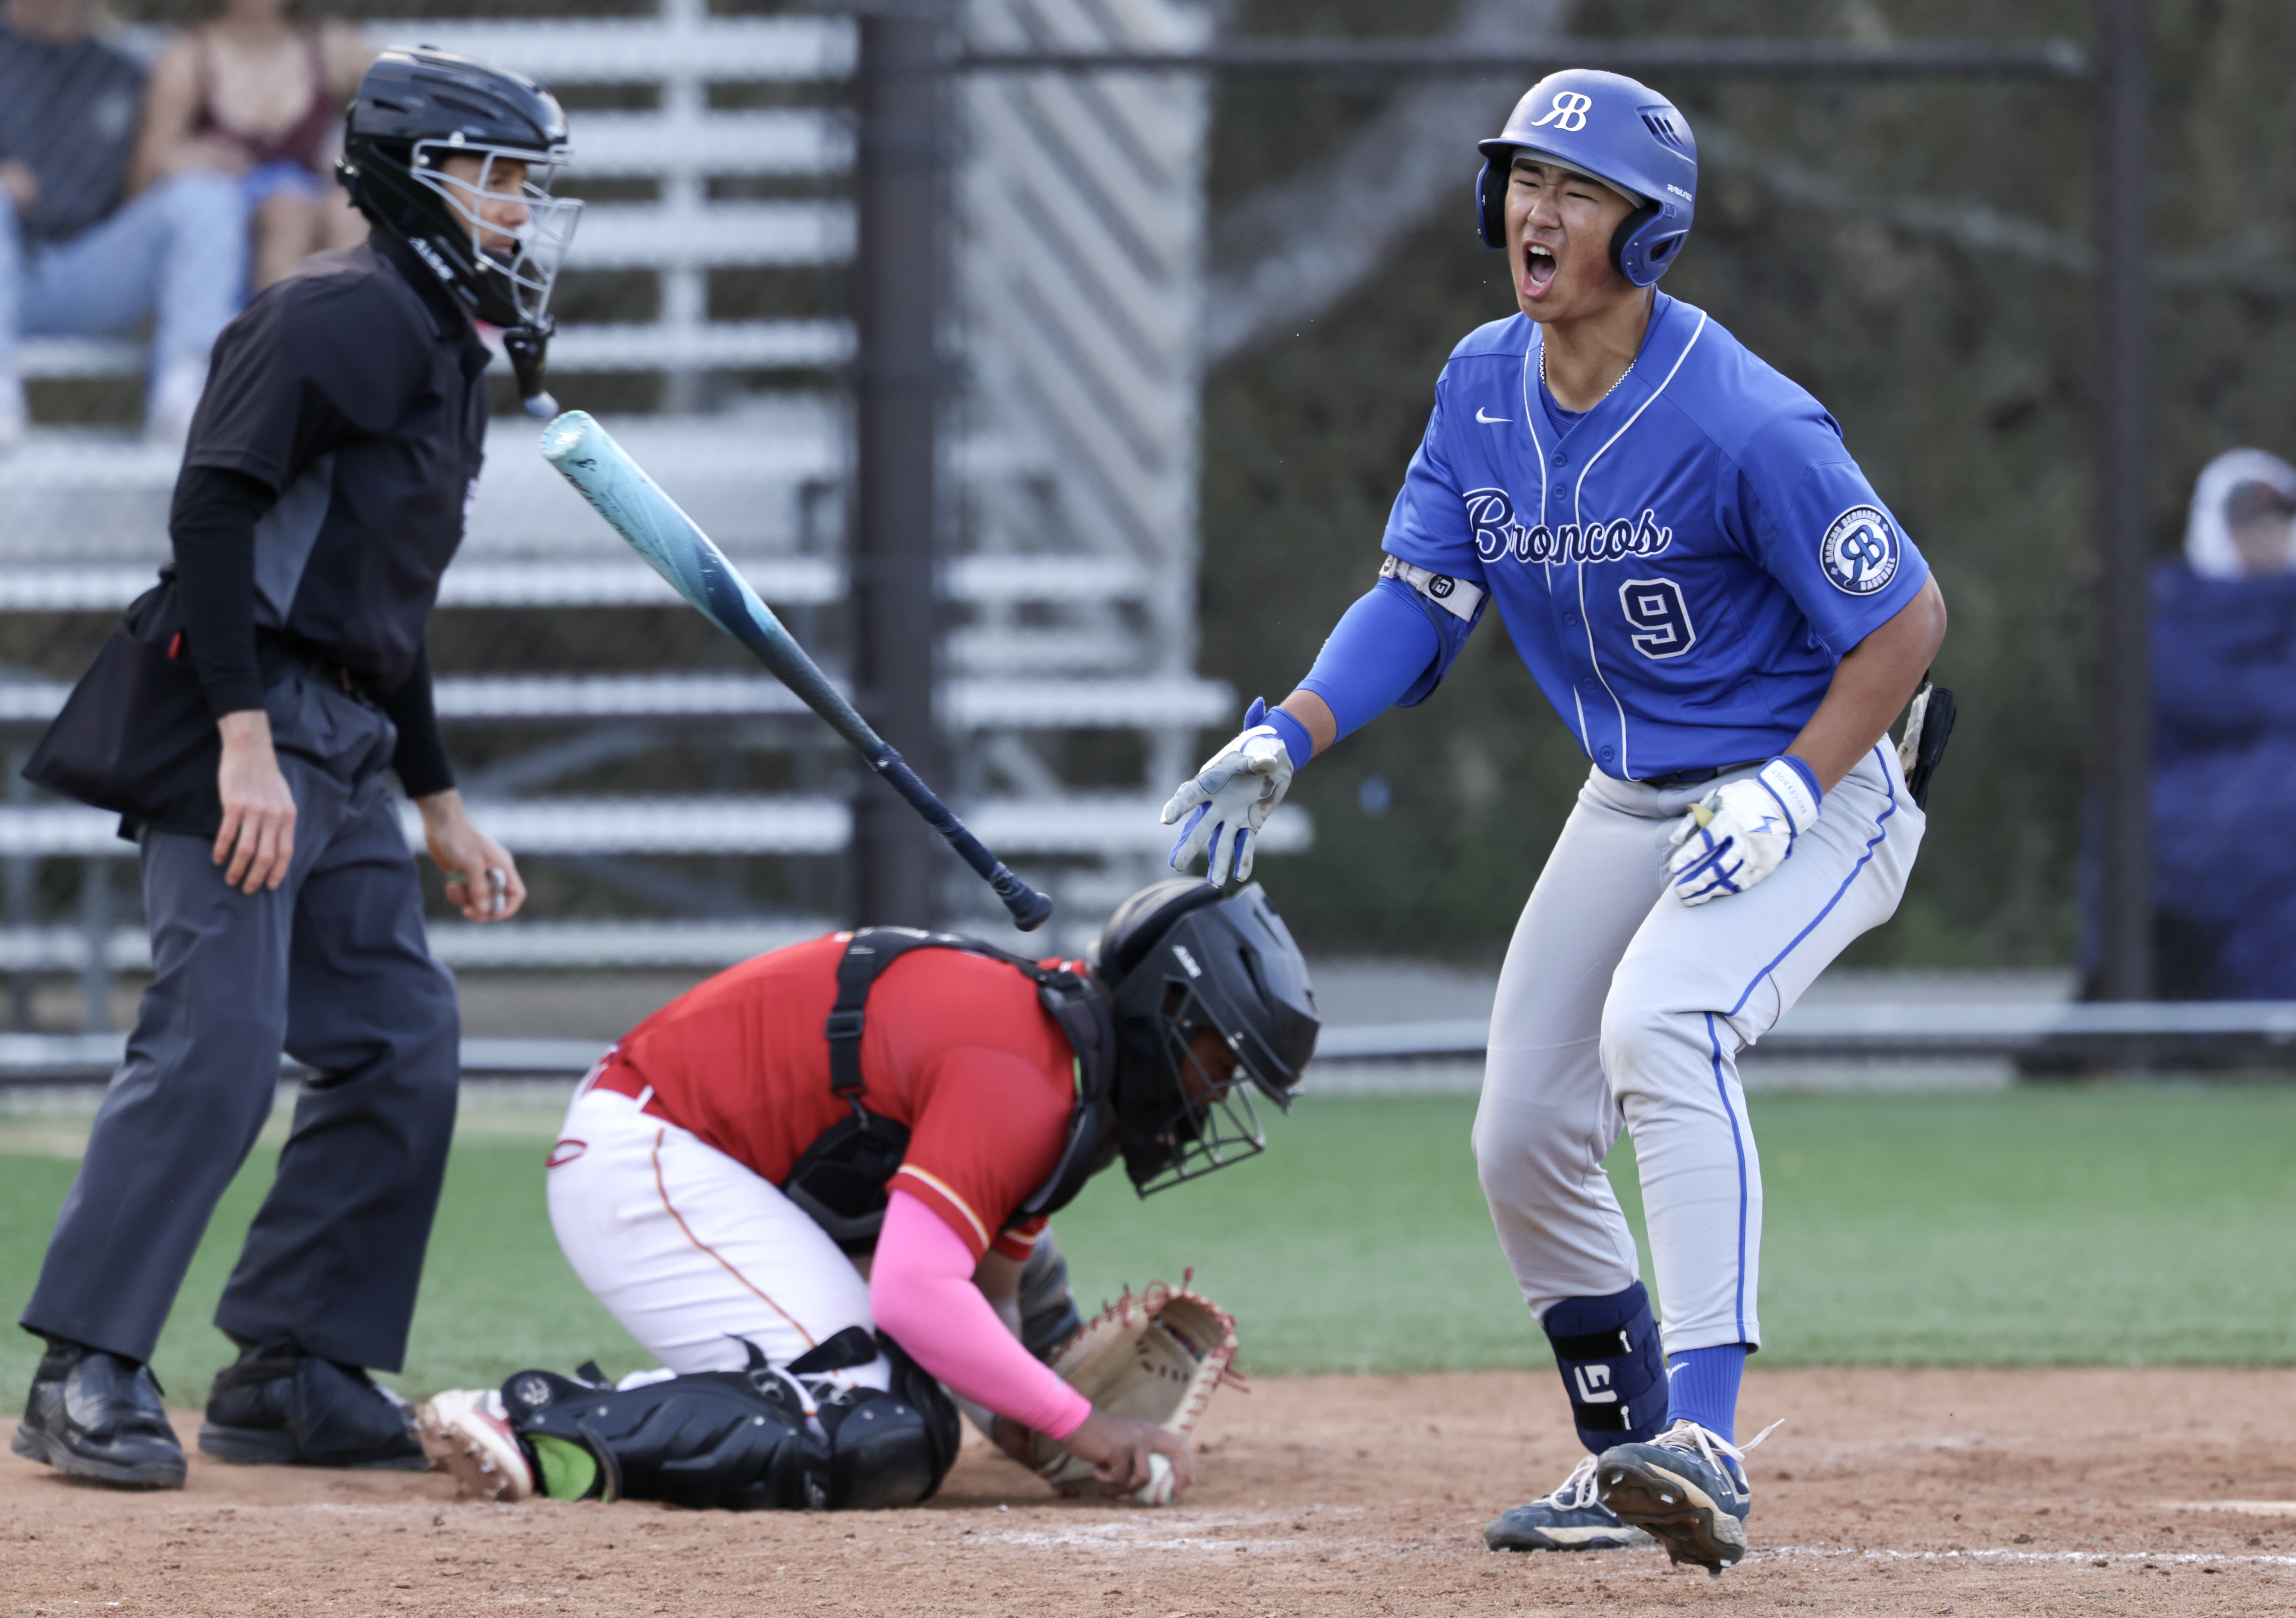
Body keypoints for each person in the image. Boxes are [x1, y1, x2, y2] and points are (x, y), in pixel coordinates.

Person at [1160, 71, 1947, 1574]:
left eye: (1577, 190)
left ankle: (1706, 1435)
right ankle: (1629, 1454)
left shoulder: (1743, 416)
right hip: (1634, 797)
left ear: (1646, 236)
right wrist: (1286, 731)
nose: (1537, 210)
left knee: (1666, 1019)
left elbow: (1908, 619)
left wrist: (1790, 786)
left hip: (1820, 784)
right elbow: (1420, 600)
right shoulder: (1478, 385)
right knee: (1522, 1129)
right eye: (1524, 177)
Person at [10, 46, 579, 1491]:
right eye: (492, 174)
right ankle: (81, 1364)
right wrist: (242, 743)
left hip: (346, 740)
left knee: (400, 1039)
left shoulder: (445, 350)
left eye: (525, 180)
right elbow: (210, 518)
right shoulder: (328, 317)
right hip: (236, 719)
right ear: (410, 173)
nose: (516, 207)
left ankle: (291, 1361)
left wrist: (438, 795)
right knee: (214, 1048)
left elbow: (382, 602)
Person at [417, 880, 1319, 1511]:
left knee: (923, 1397)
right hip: (647, 1153)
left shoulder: (1069, 1081)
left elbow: (989, 1298)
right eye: (1216, 1059)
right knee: (871, 1414)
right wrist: (1080, 1422)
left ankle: (600, 1420)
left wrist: (1031, 1431)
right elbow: (915, 1295)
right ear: (1165, 1005)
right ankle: (541, 1427)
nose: (1213, 1095)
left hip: (708, 1164)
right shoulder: (1026, 1075)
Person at [0, 0, 247, 444]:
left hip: (88, 272)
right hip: (10, 260)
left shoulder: (119, 73)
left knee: (207, 195)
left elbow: (135, 193)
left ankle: (185, 398)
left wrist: (173, 163)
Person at [2136, 448, 2296, 998]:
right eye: (2251, 523)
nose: (2269, 536)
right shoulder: (2168, 608)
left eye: (2280, 522)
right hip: (2186, 819)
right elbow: (2190, 696)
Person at [133, 0, 375, 294]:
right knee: (288, 211)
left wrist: (351, 149)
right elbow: (142, 179)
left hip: (314, 203)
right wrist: (186, 158)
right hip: (230, 217)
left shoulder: (333, 48)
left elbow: (404, 107)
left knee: (348, 210)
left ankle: (356, 331)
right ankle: (275, 334)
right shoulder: (189, 58)